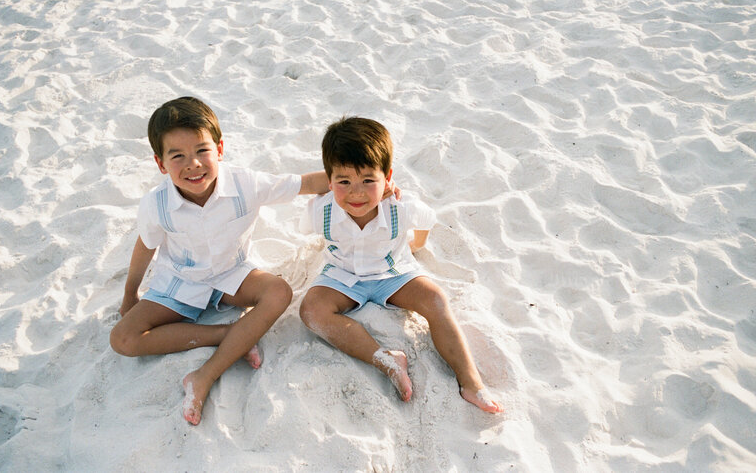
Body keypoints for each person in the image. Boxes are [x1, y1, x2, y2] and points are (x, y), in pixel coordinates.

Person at [109, 96, 333, 425]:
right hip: (179, 282)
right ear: (160, 163)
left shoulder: (246, 184)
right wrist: (130, 293)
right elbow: (146, 246)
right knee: (122, 339)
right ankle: (231, 334)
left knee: (279, 292)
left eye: (202, 151)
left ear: (220, 148)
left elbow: (308, 183)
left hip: (232, 275)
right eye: (178, 156)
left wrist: (371, 183)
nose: (193, 164)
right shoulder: (155, 204)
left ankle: (203, 376)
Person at [299, 117, 503, 413]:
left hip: (393, 273)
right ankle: (386, 359)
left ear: (388, 178)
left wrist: (416, 246)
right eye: (344, 182)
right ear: (330, 182)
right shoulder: (320, 211)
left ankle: (470, 381)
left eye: (369, 180)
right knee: (311, 311)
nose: (356, 193)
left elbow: (427, 221)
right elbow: (307, 225)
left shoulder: (401, 207)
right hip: (342, 276)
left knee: (435, 299)